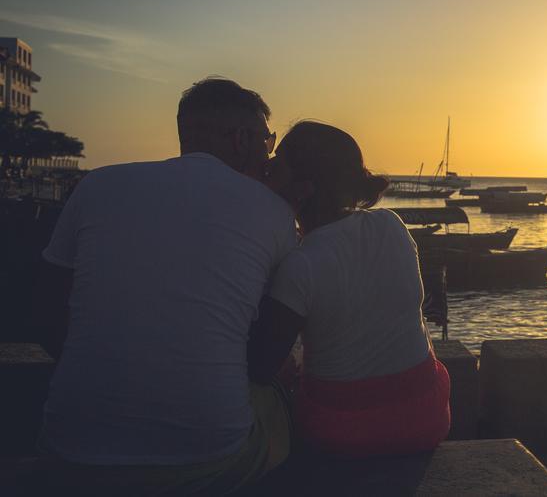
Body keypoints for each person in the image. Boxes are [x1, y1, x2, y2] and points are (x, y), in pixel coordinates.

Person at [32, 77, 298, 495]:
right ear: (244, 139)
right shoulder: (274, 211)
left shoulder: (97, 186)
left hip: (72, 456)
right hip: (209, 462)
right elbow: (264, 344)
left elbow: (46, 310)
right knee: (283, 394)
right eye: (269, 139)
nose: (271, 152)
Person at [249, 121, 451, 456]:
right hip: (427, 416)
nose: (267, 168)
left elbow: (260, 366)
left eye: (277, 165)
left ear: (302, 191)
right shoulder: (393, 226)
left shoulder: (300, 265)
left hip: (340, 431)